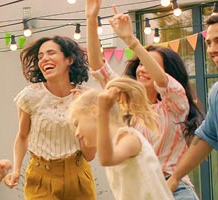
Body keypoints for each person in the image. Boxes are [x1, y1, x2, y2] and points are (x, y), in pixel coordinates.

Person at [85, 1, 203, 199]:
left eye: (150, 64)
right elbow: (98, 66)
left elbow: (162, 81)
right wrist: (90, 20)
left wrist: (131, 41)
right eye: (140, 63)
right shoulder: (127, 99)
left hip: (175, 190)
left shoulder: (175, 103)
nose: (142, 69)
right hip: (141, 191)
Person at [3, 35, 96, 199]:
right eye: (40, 56)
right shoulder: (30, 96)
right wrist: (16, 169)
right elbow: (23, 136)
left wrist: (81, 115)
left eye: (51, 53)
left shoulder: (86, 97)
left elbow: (90, 155)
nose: (44, 59)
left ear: (69, 59)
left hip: (78, 176)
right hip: (40, 178)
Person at [69, 77, 174, 200]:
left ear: (94, 112)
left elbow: (106, 159)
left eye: (77, 124)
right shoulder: (115, 144)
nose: (76, 133)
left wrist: (103, 111)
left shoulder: (129, 139)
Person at [166, 14, 218, 192]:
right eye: (209, 43)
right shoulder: (216, 93)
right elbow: (206, 137)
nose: (212, 49)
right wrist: (175, 177)